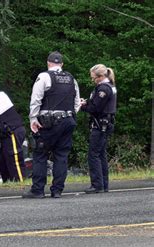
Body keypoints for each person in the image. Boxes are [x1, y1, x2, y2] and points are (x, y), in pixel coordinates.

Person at [22, 51, 80, 199]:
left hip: (49, 122)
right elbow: (77, 103)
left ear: (48, 63)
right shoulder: (71, 79)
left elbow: (35, 100)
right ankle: (57, 190)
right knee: (61, 155)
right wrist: (71, 114)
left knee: (40, 154)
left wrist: (33, 119)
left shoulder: (44, 76)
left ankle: (38, 190)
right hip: (68, 121)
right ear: (62, 64)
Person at [80, 64, 117, 193]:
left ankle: (97, 184)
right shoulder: (110, 87)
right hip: (105, 123)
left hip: (101, 124)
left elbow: (95, 108)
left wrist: (83, 106)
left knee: (93, 154)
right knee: (101, 154)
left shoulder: (103, 89)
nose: (92, 81)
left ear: (100, 77)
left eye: (93, 78)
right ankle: (103, 184)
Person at [0, 88, 26, 183]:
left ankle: (20, 182)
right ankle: (8, 183)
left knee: (14, 158)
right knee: (3, 160)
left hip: (11, 131)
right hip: (7, 133)